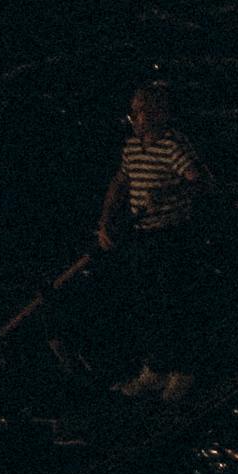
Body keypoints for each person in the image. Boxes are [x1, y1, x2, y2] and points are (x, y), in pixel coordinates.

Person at [96, 83, 215, 381]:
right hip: (142, 234)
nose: (135, 117)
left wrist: (167, 191)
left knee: (170, 301)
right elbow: (120, 182)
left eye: (142, 111)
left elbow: (200, 182)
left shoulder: (173, 145)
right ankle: (156, 367)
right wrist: (105, 222)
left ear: (160, 114)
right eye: (134, 111)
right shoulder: (133, 147)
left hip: (171, 236)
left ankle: (183, 370)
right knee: (146, 303)